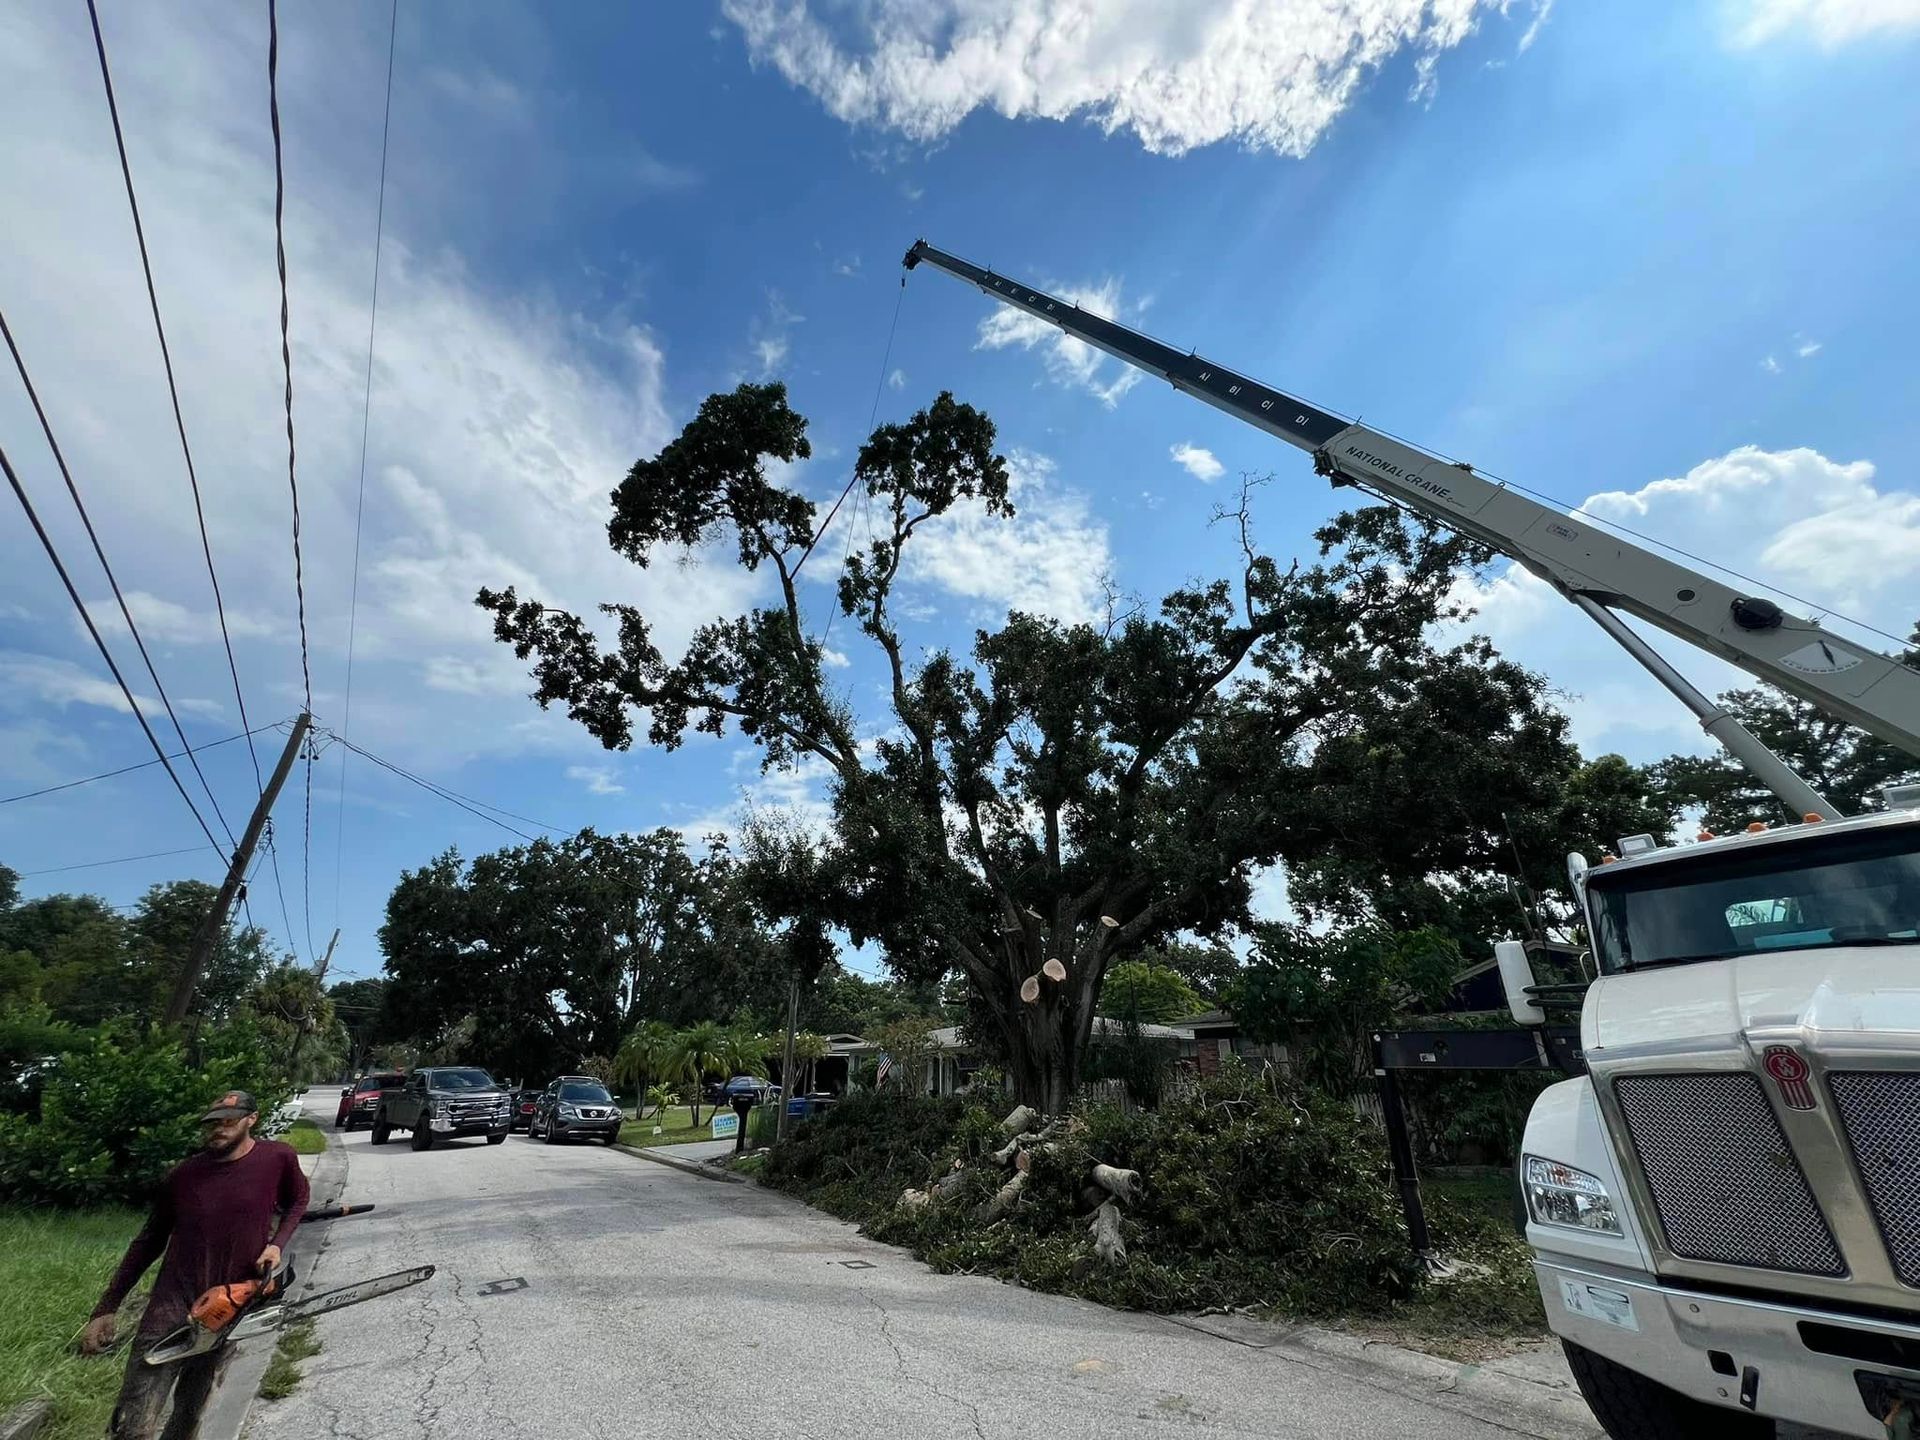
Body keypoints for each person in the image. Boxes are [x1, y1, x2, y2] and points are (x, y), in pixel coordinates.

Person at [81, 1090, 310, 1440]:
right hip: (170, 1305)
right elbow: (148, 1241)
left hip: (229, 1307)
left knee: (189, 1414)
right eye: (212, 1123)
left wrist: (276, 1245)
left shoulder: (277, 1158)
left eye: (228, 1122)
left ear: (252, 1119)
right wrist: (107, 1307)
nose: (218, 1129)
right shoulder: (184, 1175)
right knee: (133, 1422)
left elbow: (298, 1199)